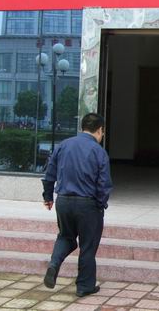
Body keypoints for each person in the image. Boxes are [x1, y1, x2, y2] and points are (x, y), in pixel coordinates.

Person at [41, 112, 112, 297]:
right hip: (88, 204)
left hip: (63, 201)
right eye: (102, 132)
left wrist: (48, 196)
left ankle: (54, 264)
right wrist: (100, 204)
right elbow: (104, 184)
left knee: (65, 237)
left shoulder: (63, 145)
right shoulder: (99, 151)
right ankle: (84, 286)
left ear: (82, 127)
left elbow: (49, 174)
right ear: (100, 130)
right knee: (88, 245)